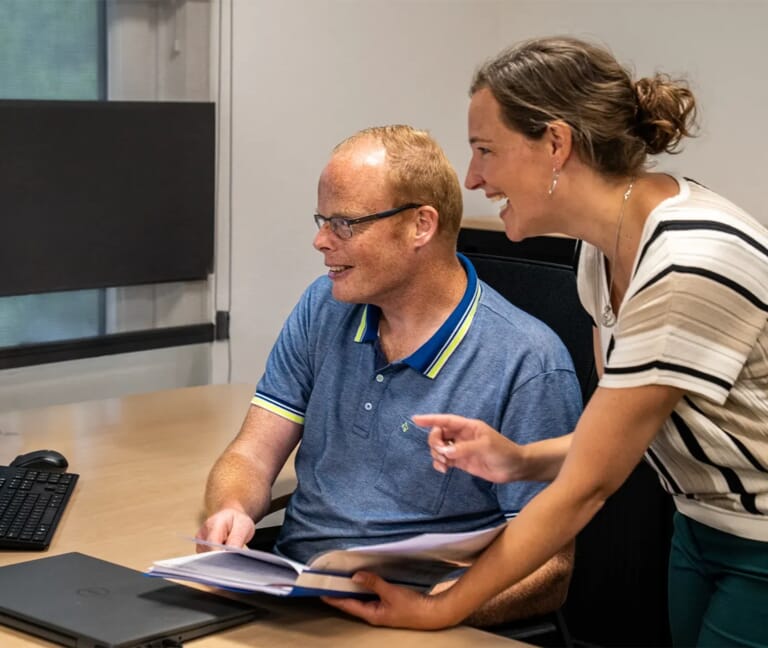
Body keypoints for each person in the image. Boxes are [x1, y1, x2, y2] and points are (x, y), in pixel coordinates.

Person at [323, 37, 768, 646]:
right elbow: (620, 434)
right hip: (702, 526)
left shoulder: (686, 262)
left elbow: (589, 486)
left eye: (486, 150)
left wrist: (438, 608)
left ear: (556, 144)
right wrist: (521, 460)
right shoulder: (602, 252)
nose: (473, 176)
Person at [195, 124, 583, 625]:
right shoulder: (322, 307)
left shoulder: (528, 362)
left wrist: (436, 607)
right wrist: (232, 508)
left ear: (421, 225)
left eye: (344, 224)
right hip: (297, 598)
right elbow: (251, 452)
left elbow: (551, 570)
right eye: (322, 220)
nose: (320, 241)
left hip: (424, 619)